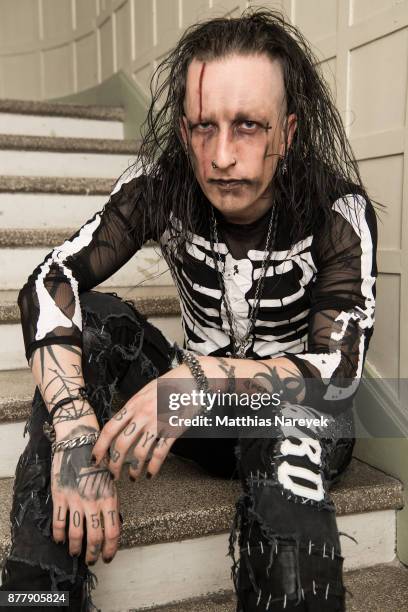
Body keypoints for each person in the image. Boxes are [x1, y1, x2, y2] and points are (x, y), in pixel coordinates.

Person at [0, 8, 378, 612]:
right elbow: (51, 278)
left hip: (286, 417)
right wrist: (74, 423)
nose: (221, 155)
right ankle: (36, 597)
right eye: (204, 127)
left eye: (248, 126)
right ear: (183, 132)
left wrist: (200, 382)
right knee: (92, 319)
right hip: (191, 422)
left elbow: (337, 374)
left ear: (289, 132)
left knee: (293, 430)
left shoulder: (338, 212)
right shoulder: (163, 185)